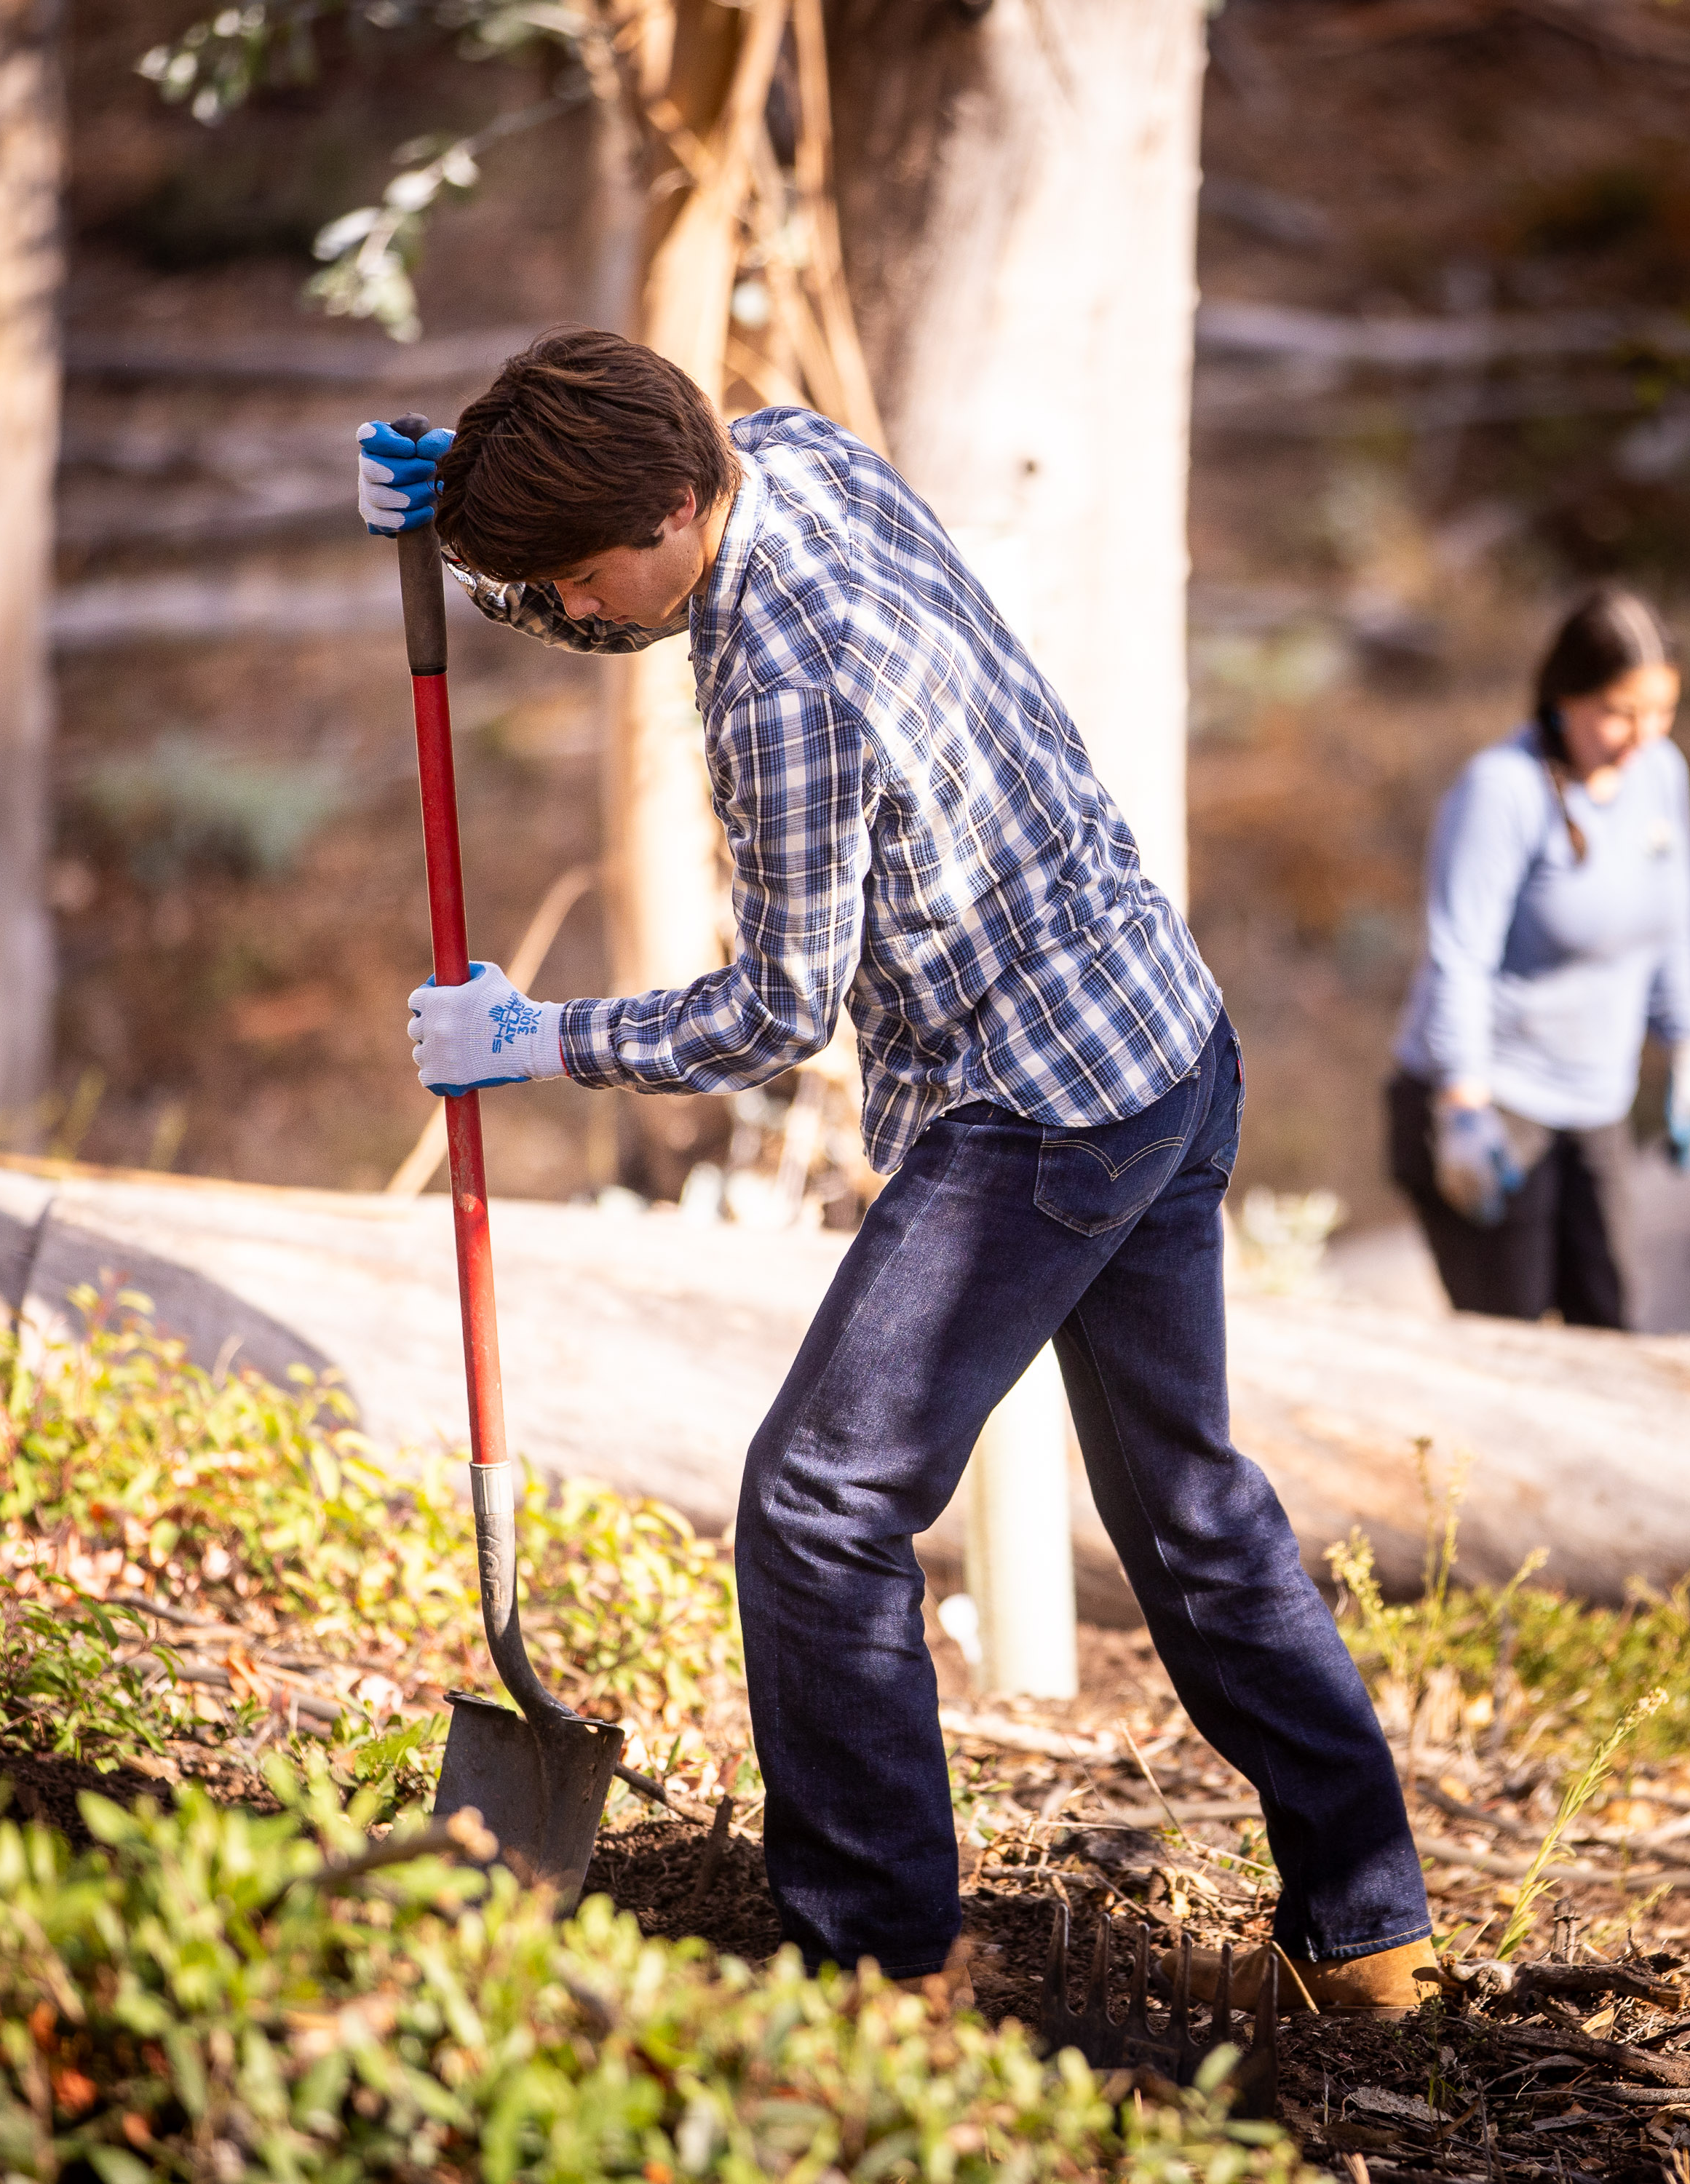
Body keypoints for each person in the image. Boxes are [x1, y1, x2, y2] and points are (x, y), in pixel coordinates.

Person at [352, 330, 1434, 2009]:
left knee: (817, 1502)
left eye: (571, 581)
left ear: (655, 519)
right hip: (1159, 1033)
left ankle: (882, 1963)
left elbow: (777, 1009)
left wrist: (538, 1038)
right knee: (1192, 1504)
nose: (572, 614)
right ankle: (1368, 1932)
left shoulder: (776, 674)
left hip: (1038, 1111)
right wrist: (463, 542)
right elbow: (616, 561)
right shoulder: (786, 447)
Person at [1385, 586, 1690, 1327]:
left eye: (1661, 712)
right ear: (1565, 696)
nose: (1643, 736)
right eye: (1619, 713)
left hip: (1594, 1103)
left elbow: (1675, 919)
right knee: (1513, 1342)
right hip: (1496, 1100)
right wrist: (1463, 1106)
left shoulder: (1660, 773)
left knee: (1614, 1323)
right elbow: (1459, 957)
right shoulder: (1500, 792)